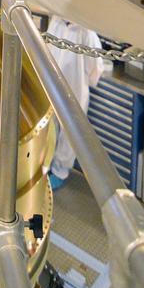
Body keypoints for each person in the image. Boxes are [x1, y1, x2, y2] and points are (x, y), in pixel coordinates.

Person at [46, 17, 106, 190]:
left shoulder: (87, 33)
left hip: (75, 91)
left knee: (69, 133)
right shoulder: (56, 22)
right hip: (51, 87)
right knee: (49, 130)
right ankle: (44, 166)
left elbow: (95, 69)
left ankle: (59, 172)